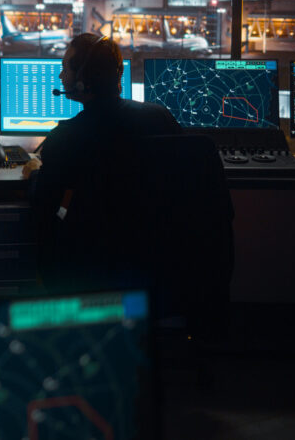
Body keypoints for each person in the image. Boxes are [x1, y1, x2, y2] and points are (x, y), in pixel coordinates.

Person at [23, 33, 181, 291]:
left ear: (84, 79)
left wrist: (35, 174)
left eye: (65, 68)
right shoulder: (160, 118)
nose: (61, 77)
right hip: (158, 261)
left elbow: (44, 205)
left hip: (91, 267)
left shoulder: (67, 137)